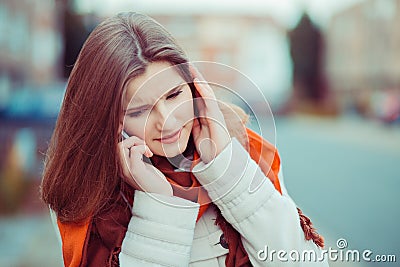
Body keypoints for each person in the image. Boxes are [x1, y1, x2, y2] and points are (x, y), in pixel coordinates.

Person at [41, 12, 328, 267]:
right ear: (109, 120)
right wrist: (157, 203)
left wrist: (227, 171)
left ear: (195, 85)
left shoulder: (243, 149)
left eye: (174, 95)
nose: (168, 119)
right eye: (140, 110)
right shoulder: (85, 195)